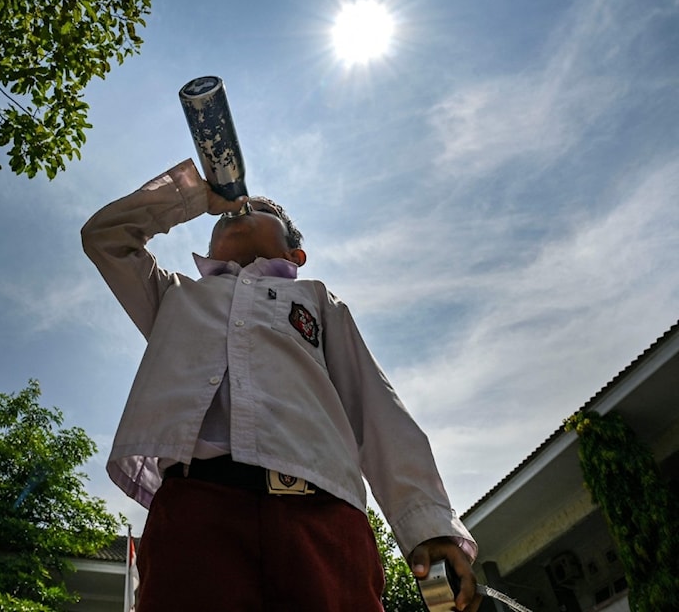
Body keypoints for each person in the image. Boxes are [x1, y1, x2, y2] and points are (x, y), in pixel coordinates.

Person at [82, 158, 482, 611]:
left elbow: (376, 408)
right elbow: (106, 238)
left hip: (324, 514)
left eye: (261, 208)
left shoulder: (317, 300)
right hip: (195, 510)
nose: (243, 206)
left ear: (295, 256)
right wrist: (195, 196)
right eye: (232, 208)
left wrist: (426, 525)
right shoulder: (175, 295)